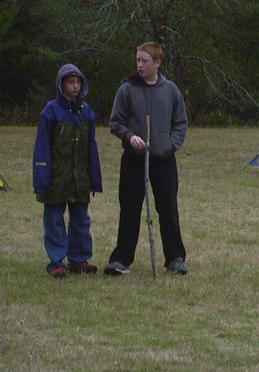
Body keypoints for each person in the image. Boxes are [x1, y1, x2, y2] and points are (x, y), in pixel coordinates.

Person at [106, 41, 188, 276]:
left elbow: (180, 122)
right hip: (134, 159)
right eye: (138, 60)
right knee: (130, 209)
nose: (140, 65)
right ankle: (121, 260)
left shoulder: (170, 90)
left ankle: (175, 259)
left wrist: (170, 145)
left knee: (168, 210)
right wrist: (129, 136)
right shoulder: (127, 89)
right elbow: (116, 122)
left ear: (157, 63)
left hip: (163, 160)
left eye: (145, 61)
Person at [33, 64, 102, 278]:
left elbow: (91, 149)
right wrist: (42, 179)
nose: (75, 86)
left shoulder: (86, 112)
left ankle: (79, 258)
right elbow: (42, 148)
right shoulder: (50, 111)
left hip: (79, 177)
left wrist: (94, 178)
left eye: (78, 82)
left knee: (81, 218)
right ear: (61, 84)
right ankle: (56, 261)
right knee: (54, 219)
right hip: (56, 177)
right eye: (71, 82)